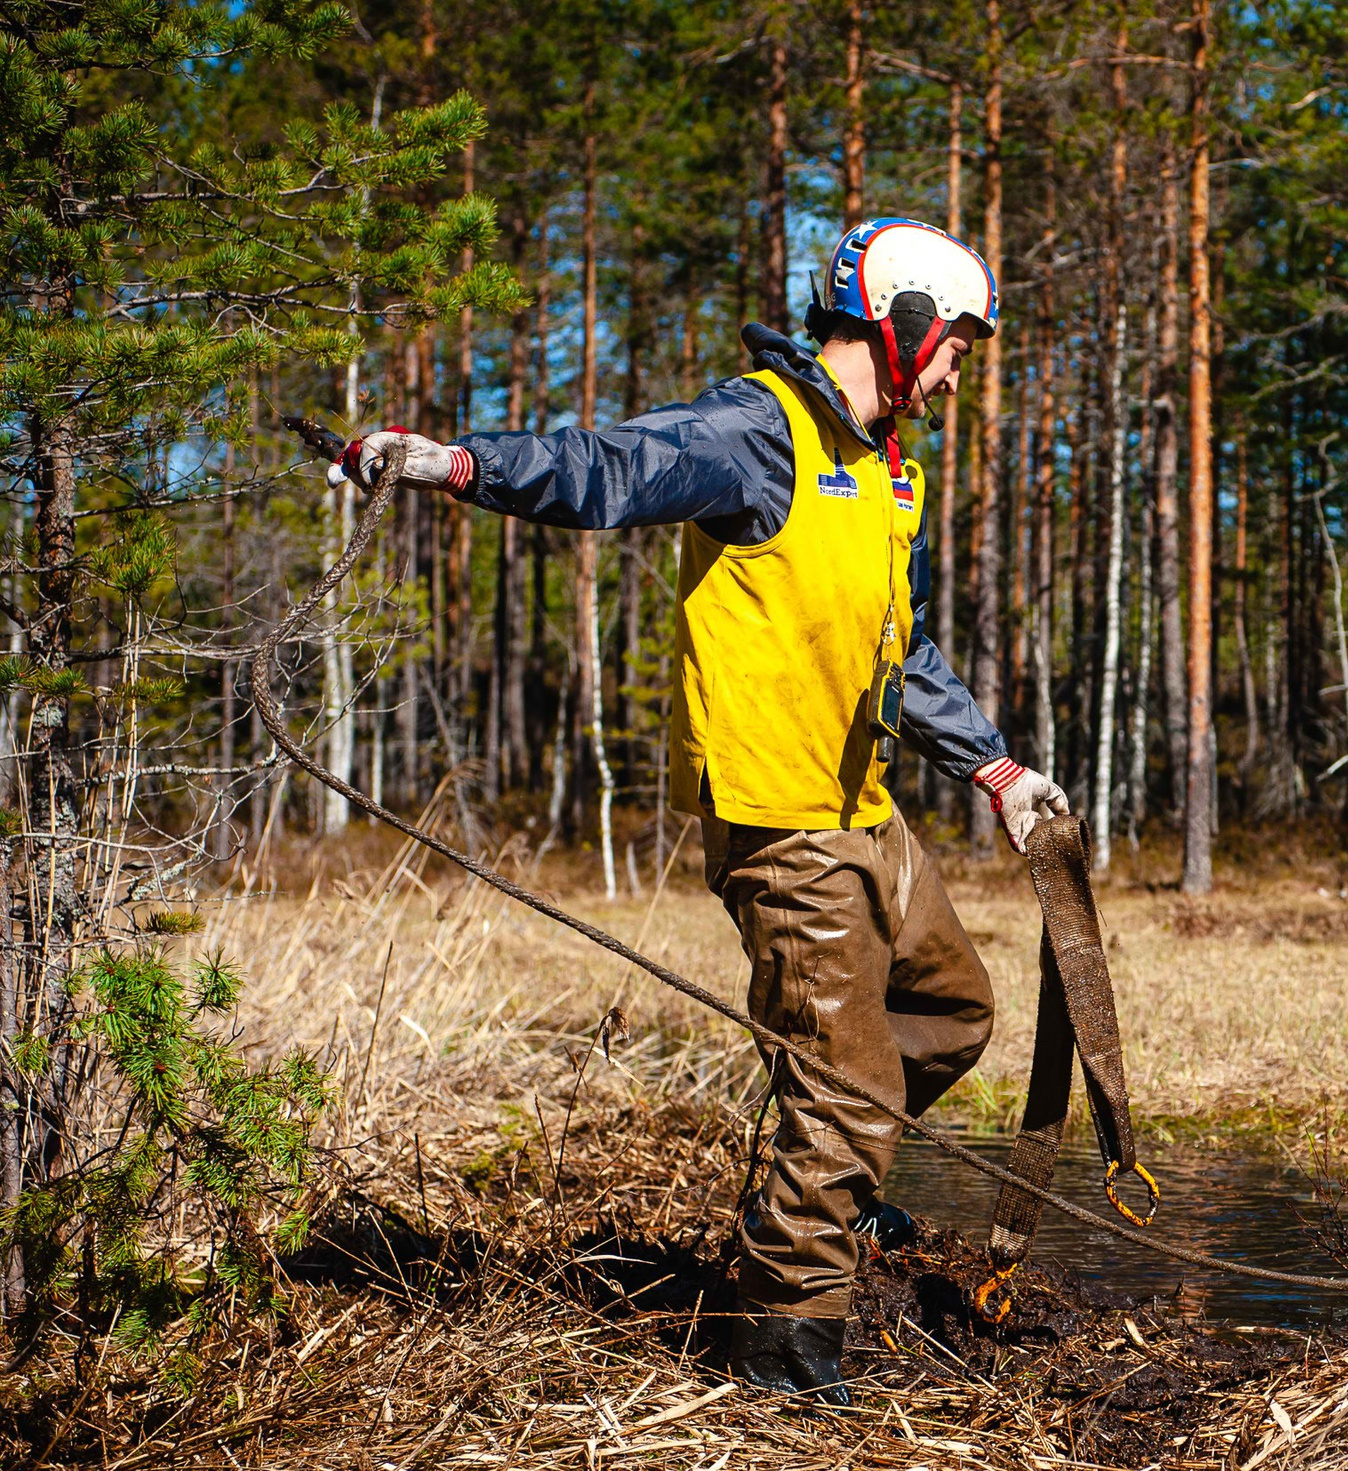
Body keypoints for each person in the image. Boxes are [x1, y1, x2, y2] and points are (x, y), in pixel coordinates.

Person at [337, 218, 1069, 1404]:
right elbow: (607, 468)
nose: (958, 371)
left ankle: (823, 1182)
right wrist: (455, 463)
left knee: (949, 1008)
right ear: (904, 322)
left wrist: (993, 766)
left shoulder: (889, 465)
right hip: (779, 820)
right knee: (848, 1082)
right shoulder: (755, 431)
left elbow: (900, 643)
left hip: (862, 806)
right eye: (958, 345)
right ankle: (781, 1351)